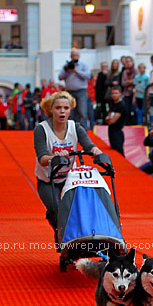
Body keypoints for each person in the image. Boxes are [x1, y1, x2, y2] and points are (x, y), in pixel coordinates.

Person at [33, 91, 100, 233]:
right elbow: (42, 158)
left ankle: (80, 238)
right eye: (58, 108)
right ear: (51, 109)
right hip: (48, 178)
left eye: (66, 108)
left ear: (70, 109)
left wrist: (96, 151)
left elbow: (88, 144)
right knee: (56, 210)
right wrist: (55, 157)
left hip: (69, 177)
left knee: (77, 209)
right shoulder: (41, 129)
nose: (62, 111)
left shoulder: (75, 127)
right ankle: (60, 234)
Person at [58, 48, 91, 128]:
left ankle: (83, 132)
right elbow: (60, 77)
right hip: (69, 92)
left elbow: (88, 76)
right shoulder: (66, 66)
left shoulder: (83, 65)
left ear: (79, 56)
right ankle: (71, 132)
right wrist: (67, 70)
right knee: (70, 113)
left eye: (76, 55)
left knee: (82, 112)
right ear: (70, 56)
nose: (74, 57)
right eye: (73, 55)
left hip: (81, 91)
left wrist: (76, 71)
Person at [105, 81, 129, 156]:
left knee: (118, 152)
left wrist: (109, 120)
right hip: (112, 130)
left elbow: (112, 120)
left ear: (120, 94)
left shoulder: (121, 105)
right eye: (113, 93)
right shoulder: (113, 103)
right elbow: (108, 117)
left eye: (116, 93)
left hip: (117, 131)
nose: (114, 95)